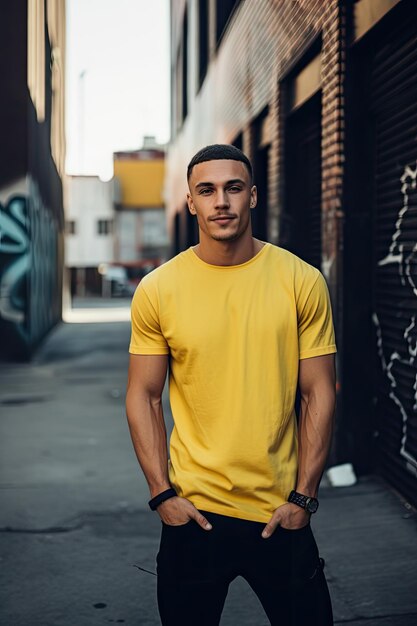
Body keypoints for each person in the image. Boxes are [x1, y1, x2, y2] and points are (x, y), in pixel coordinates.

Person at [126, 144, 336, 626]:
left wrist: (304, 497)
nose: (221, 200)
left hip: (280, 515)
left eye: (233, 188)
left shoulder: (300, 281)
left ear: (253, 196)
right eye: (207, 190)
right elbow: (144, 395)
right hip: (193, 515)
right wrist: (162, 495)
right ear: (192, 201)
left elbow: (318, 392)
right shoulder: (159, 289)